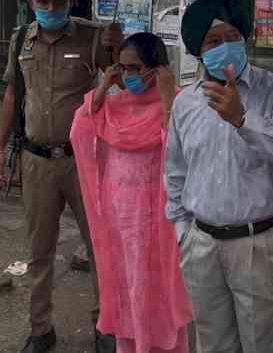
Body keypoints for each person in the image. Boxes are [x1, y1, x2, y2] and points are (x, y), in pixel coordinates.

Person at [164, 0, 273, 353]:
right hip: (202, 246)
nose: (225, 46)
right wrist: (184, 231)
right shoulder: (185, 103)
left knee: (268, 346)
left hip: (260, 245)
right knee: (213, 344)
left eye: (232, 37)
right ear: (198, 50)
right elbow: (176, 172)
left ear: (245, 37)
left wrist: (241, 119)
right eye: (213, 41)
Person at [0, 0, 122, 353]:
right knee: (39, 250)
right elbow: (14, 95)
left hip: (84, 158)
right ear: (31, 2)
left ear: (70, 0)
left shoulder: (93, 36)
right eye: (42, 2)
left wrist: (119, 48)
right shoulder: (20, 40)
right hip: (36, 161)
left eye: (58, 1)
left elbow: (120, 76)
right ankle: (40, 329)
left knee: (100, 246)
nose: (50, 8)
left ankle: (106, 325)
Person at [70, 33, 193, 353]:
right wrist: (101, 88)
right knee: (127, 289)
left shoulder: (180, 103)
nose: (128, 76)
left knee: (157, 288)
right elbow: (80, 131)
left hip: (159, 222)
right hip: (119, 221)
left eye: (135, 68)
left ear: (157, 69)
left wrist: (167, 99)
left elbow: (180, 153)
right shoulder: (113, 105)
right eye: (122, 68)